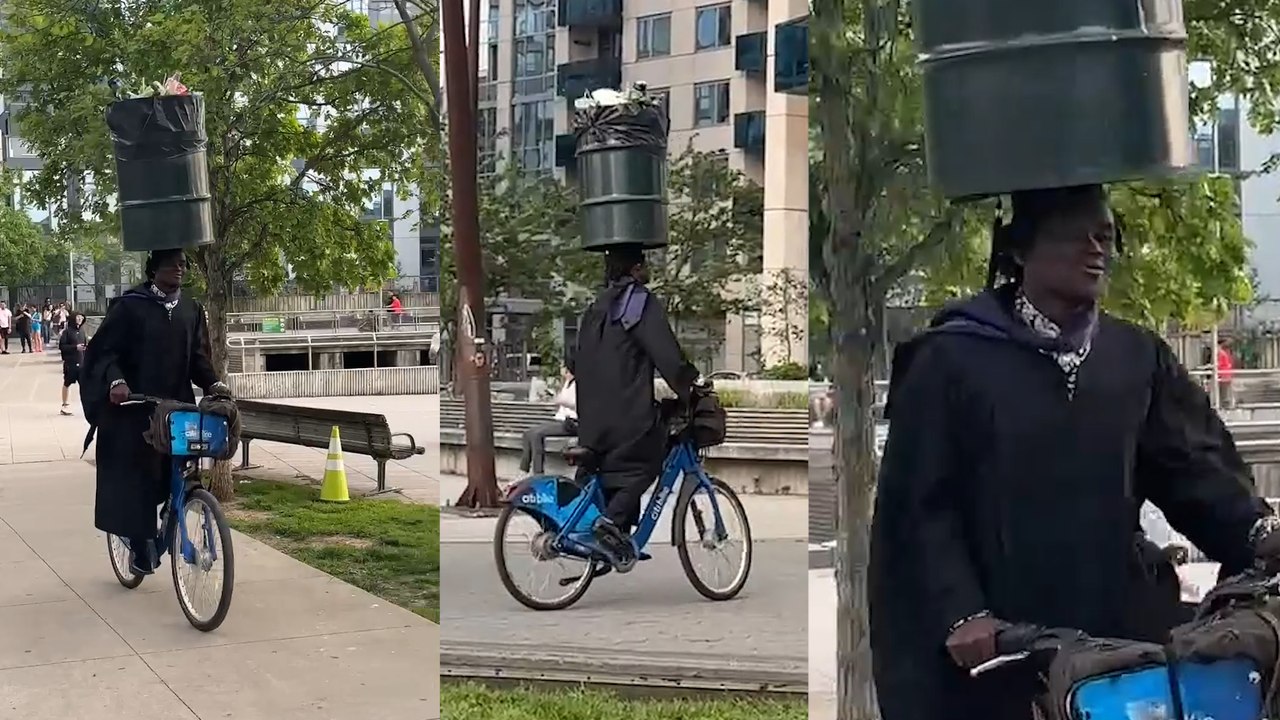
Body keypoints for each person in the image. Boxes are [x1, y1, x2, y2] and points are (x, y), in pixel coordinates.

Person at [867, 185, 1280, 720]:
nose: (1097, 249)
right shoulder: (951, 359)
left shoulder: (1134, 357)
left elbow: (1192, 466)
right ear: (1019, 249)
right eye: (1076, 234)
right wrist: (960, 613)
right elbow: (921, 506)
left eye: (1105, 236)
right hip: (1002, 644)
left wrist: (1257, 530)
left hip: (1111, 635)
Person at [79, 248, 230, 576]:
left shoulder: (192, 309)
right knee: (137, 477)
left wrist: (214, 384)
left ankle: (177, 509)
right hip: (135, 408)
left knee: (180, 468)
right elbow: (103, 352)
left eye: (184, 264)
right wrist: (116, 380)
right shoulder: (131, 306)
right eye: (172, 263)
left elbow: (199, 359)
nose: (180, 268)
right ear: (154, 268)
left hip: (176, 409)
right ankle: (138, 541)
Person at [571, 244, 699, 563]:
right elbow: (667, 354)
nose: (646, 270)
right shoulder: (639, 303)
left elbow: (572, 358)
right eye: (643, 264)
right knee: (647, 460)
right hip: (625, 415)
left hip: (590, 416)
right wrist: (689, 384)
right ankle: (610, 527)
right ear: (635, 269)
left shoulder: (596, 307)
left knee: (601, 469)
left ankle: (600, 532)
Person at [519, 367, 578, 476]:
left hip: (571, 422)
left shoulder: (577, 384)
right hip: (560, 419)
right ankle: (523, 470)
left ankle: (538, 473)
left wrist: (562, 401)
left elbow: (576, 404)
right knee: (528, 433)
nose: (561, 370)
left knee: (537, 434)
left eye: (564, 368)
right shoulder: (567, 383)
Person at [58, 312, 86, 415]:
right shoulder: (67, 332)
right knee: (67, 383)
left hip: (82, 362)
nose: (80, 319)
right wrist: (75, 347)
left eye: (81, 318)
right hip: (71, 363)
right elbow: (62, 346)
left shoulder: (82, 331)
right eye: (78, 317)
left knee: (84, 385)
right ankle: (64, 405)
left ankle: (86, 405)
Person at [1217, 338, 1235, 409]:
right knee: (1224, 390)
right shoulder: (1223, 353)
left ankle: (1226, 405)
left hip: (1224, 375)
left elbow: (1219, 364)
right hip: (1225, 375)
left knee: (1224, 391)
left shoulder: (1221, 353)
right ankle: (1227, 404)